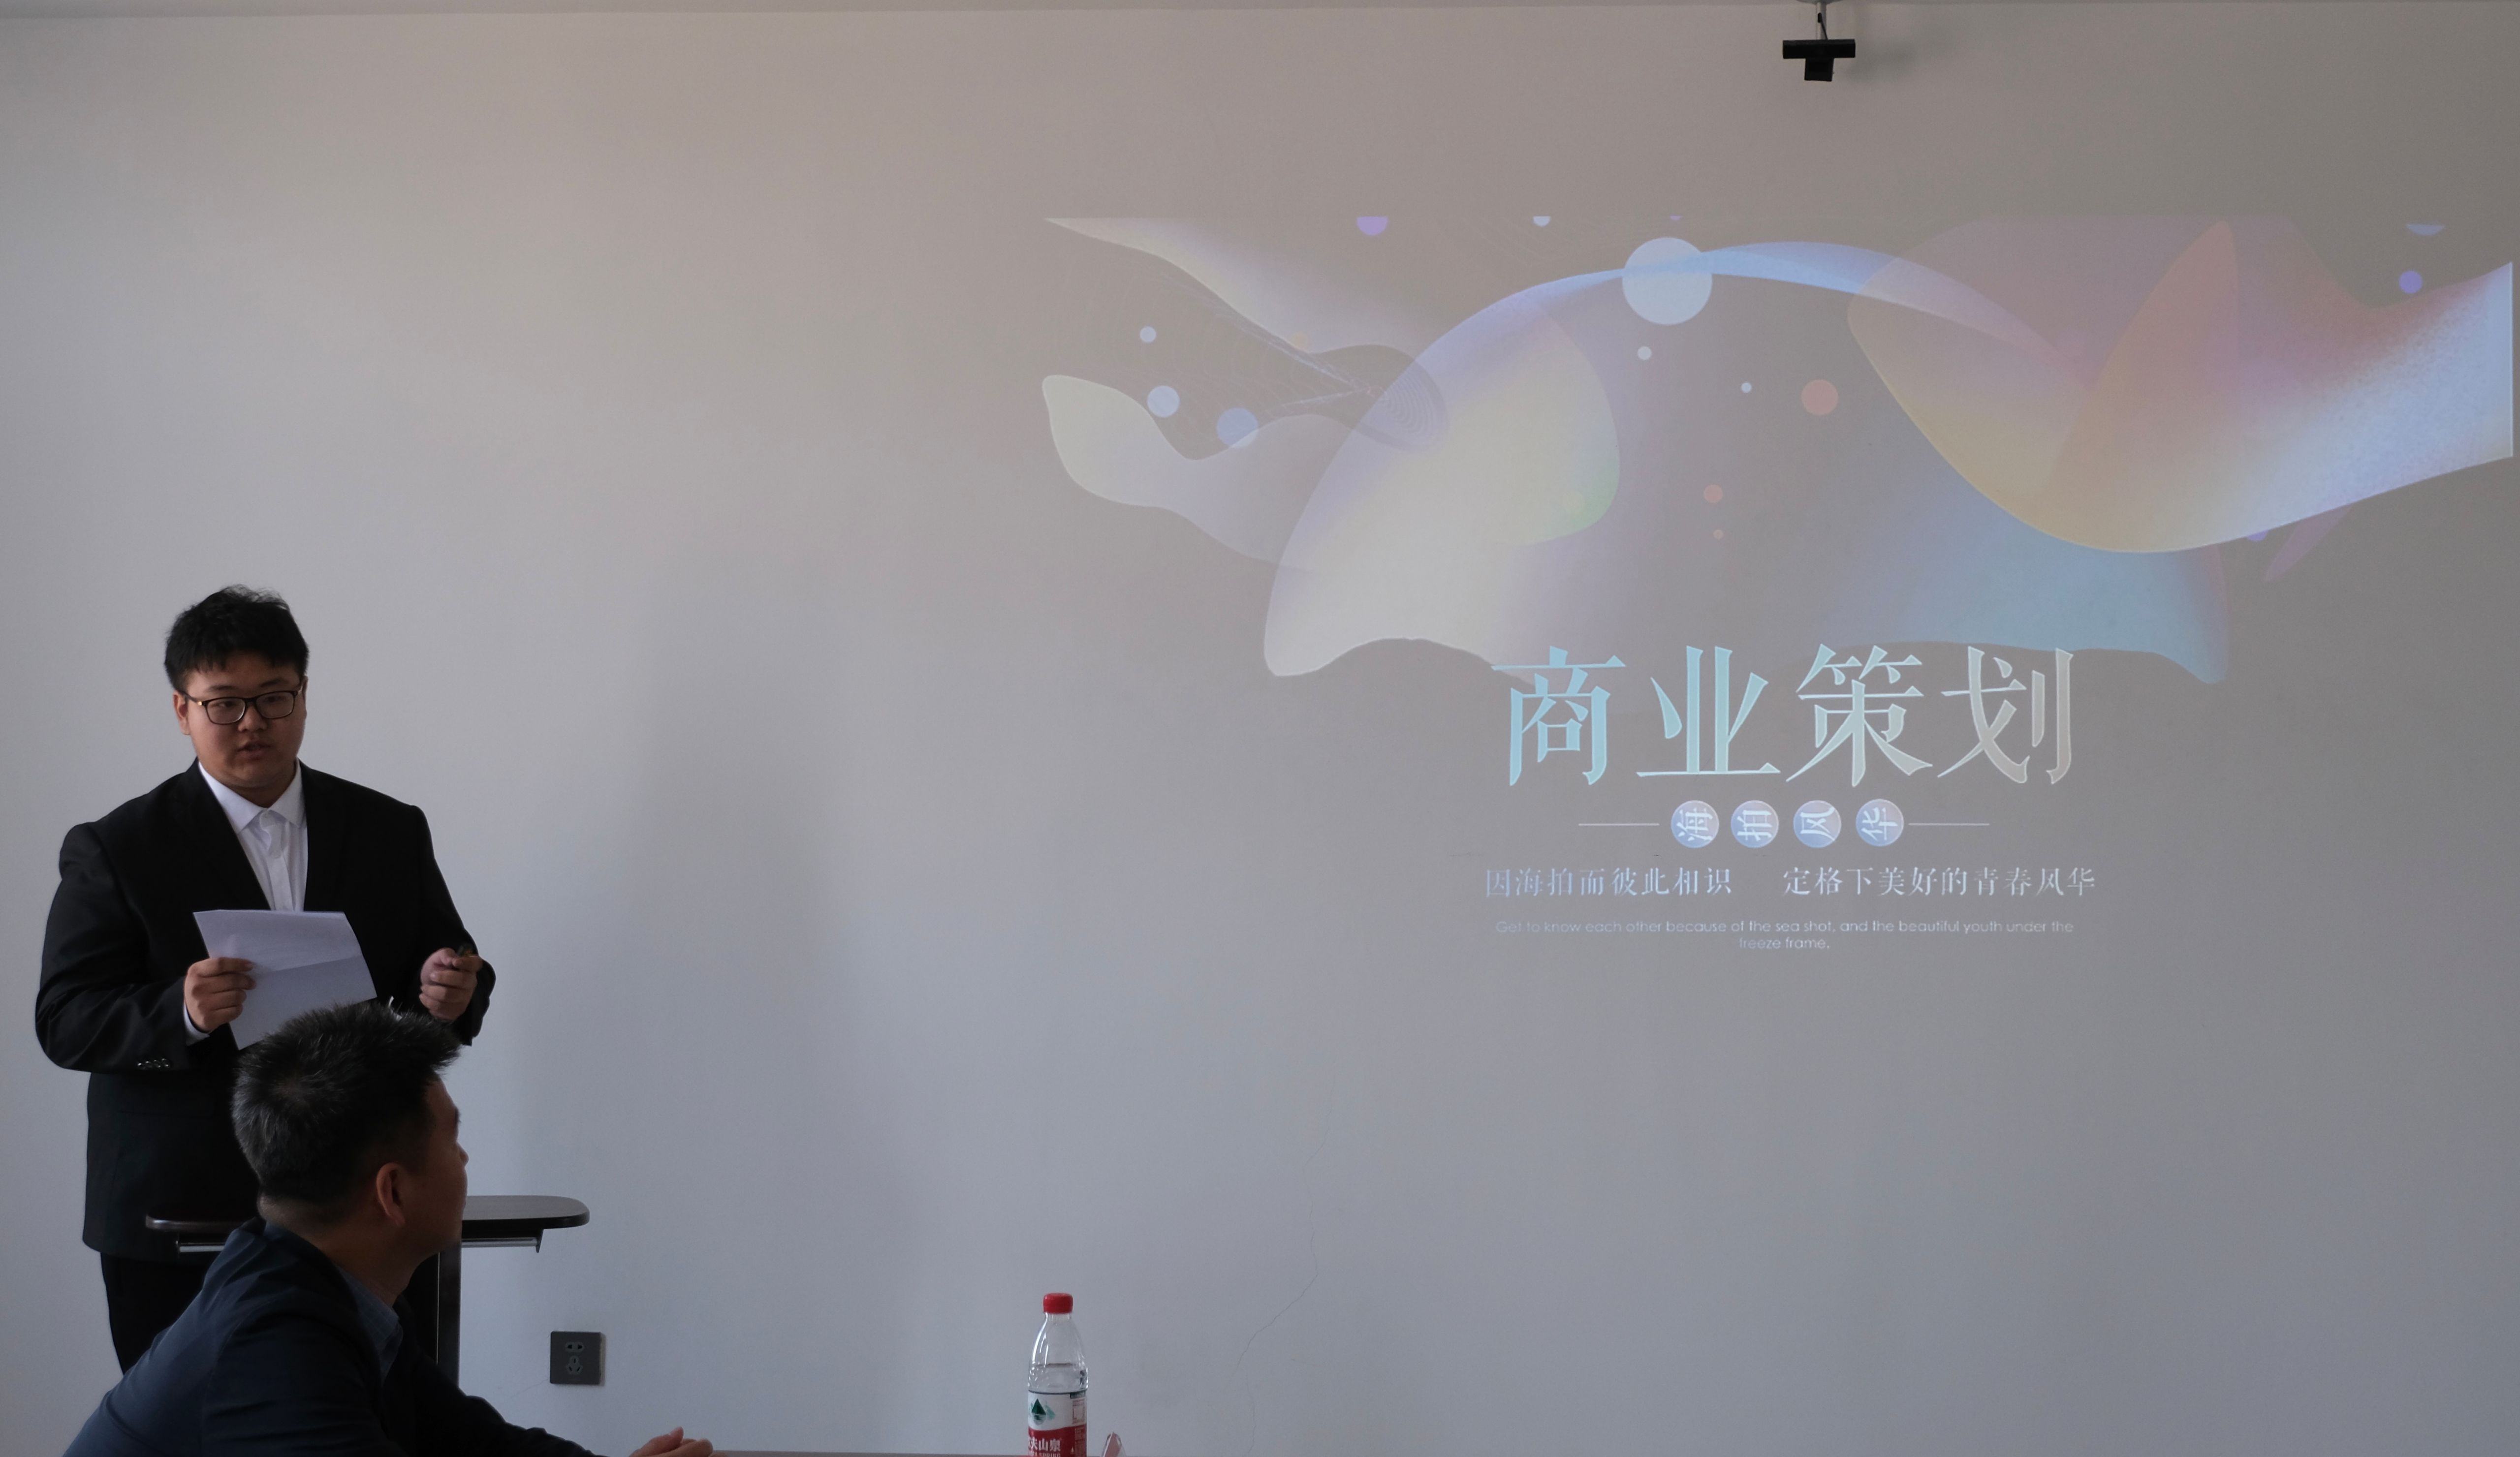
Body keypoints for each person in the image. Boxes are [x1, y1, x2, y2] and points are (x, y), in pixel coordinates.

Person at [37, 586, 496, 1369]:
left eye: (274, 697)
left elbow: (450, 967)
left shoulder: (387, 828)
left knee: (378, 1407)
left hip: (361, 1196)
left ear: (304, 696)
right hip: (179, 1204)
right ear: (182, 710)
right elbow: (65, 1017)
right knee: (193, 1418)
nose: (252, 722)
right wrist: (180, 1011)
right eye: (225, 704)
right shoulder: (119, 846)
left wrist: (452, 991)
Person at [62, 1002, 711, 1457]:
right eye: (453, 1139)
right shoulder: (275, 1350)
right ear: (392, 1191)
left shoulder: (316, 1282)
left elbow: (470, 1442)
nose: (465, 1160)